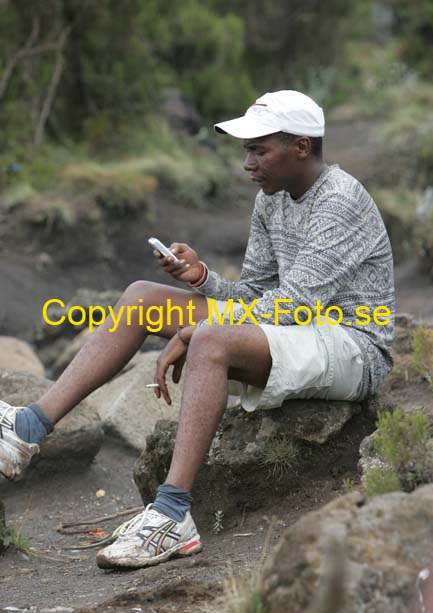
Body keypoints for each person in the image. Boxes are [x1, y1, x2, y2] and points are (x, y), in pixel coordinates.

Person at [0, 90, 395, 569]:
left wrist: (195, 331)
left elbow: (292, 306)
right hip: (300, 330)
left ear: (301, 147)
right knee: (142, 298)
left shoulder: (340, 200)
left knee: (211, 337)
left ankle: (171, 515)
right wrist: (204, 280)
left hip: (354, 345)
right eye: (246, 150)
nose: (248, 163)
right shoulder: (271, 199)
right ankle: (28, 427)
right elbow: (256, 294)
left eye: (259, 150)